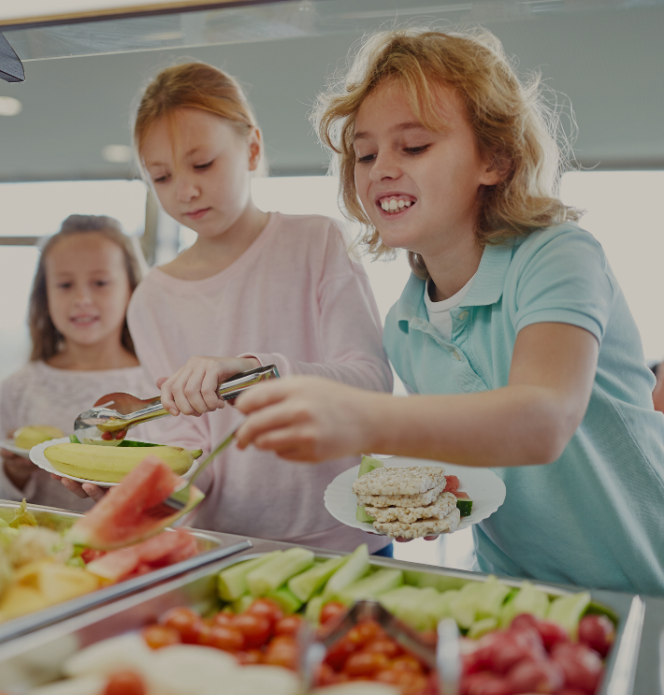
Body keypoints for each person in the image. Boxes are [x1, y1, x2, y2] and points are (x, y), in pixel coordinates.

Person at [234, 28, 664, 595]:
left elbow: (543, 421)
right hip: (515, 590)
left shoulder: (558, 255)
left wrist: (358, 418)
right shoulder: (405, 323)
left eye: (413, 146)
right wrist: (428, 497)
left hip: (647, 583)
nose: (380, 167)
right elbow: (471, 458)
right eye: (365, 153)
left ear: (496, 159)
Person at [61, 62, 394, 553]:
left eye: (203, 164)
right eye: (161, 176)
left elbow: (372, 384)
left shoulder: (315, 241)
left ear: (252, 148)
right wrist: (141, 491)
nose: (185, 190)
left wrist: (257, 373)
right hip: (222, 547)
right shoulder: (152, 298)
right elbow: (195, 455)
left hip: (343, 541)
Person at [0, 215, 153, 512]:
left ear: (131, 288)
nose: (82, 298)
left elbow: (183, 497)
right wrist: (16, 472)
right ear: (45, 295)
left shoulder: (161, 383)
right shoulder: (19, 386)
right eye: (64, 284)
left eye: (100, 282)